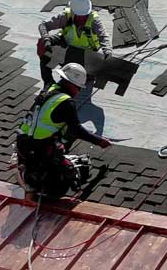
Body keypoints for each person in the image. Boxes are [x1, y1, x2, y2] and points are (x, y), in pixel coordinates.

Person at [16, 62, 110, 199]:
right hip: (39, 149)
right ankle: (39, 176)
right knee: (63, 180)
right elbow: (77, 130)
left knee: (59, 137)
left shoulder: (49, 87)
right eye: (78, 88)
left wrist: (43, 57)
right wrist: (99, 141)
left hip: (22, 144)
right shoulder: (66, 102)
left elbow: (46, 74)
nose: (78, 92)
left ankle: (28, 171)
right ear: (72, 84)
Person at [38, 0, 108, 86]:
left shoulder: (94, 20)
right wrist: (46, 39)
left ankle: (85, 74)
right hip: (67, 48)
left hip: (85, 54)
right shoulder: (66, 16)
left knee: (80, 79)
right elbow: (43, 25)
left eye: (85, 15)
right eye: (79, 15)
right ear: (73, 11)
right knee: (42, 44)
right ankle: (48, 82)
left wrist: (108, 52)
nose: (82, 18)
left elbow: (103, 37)